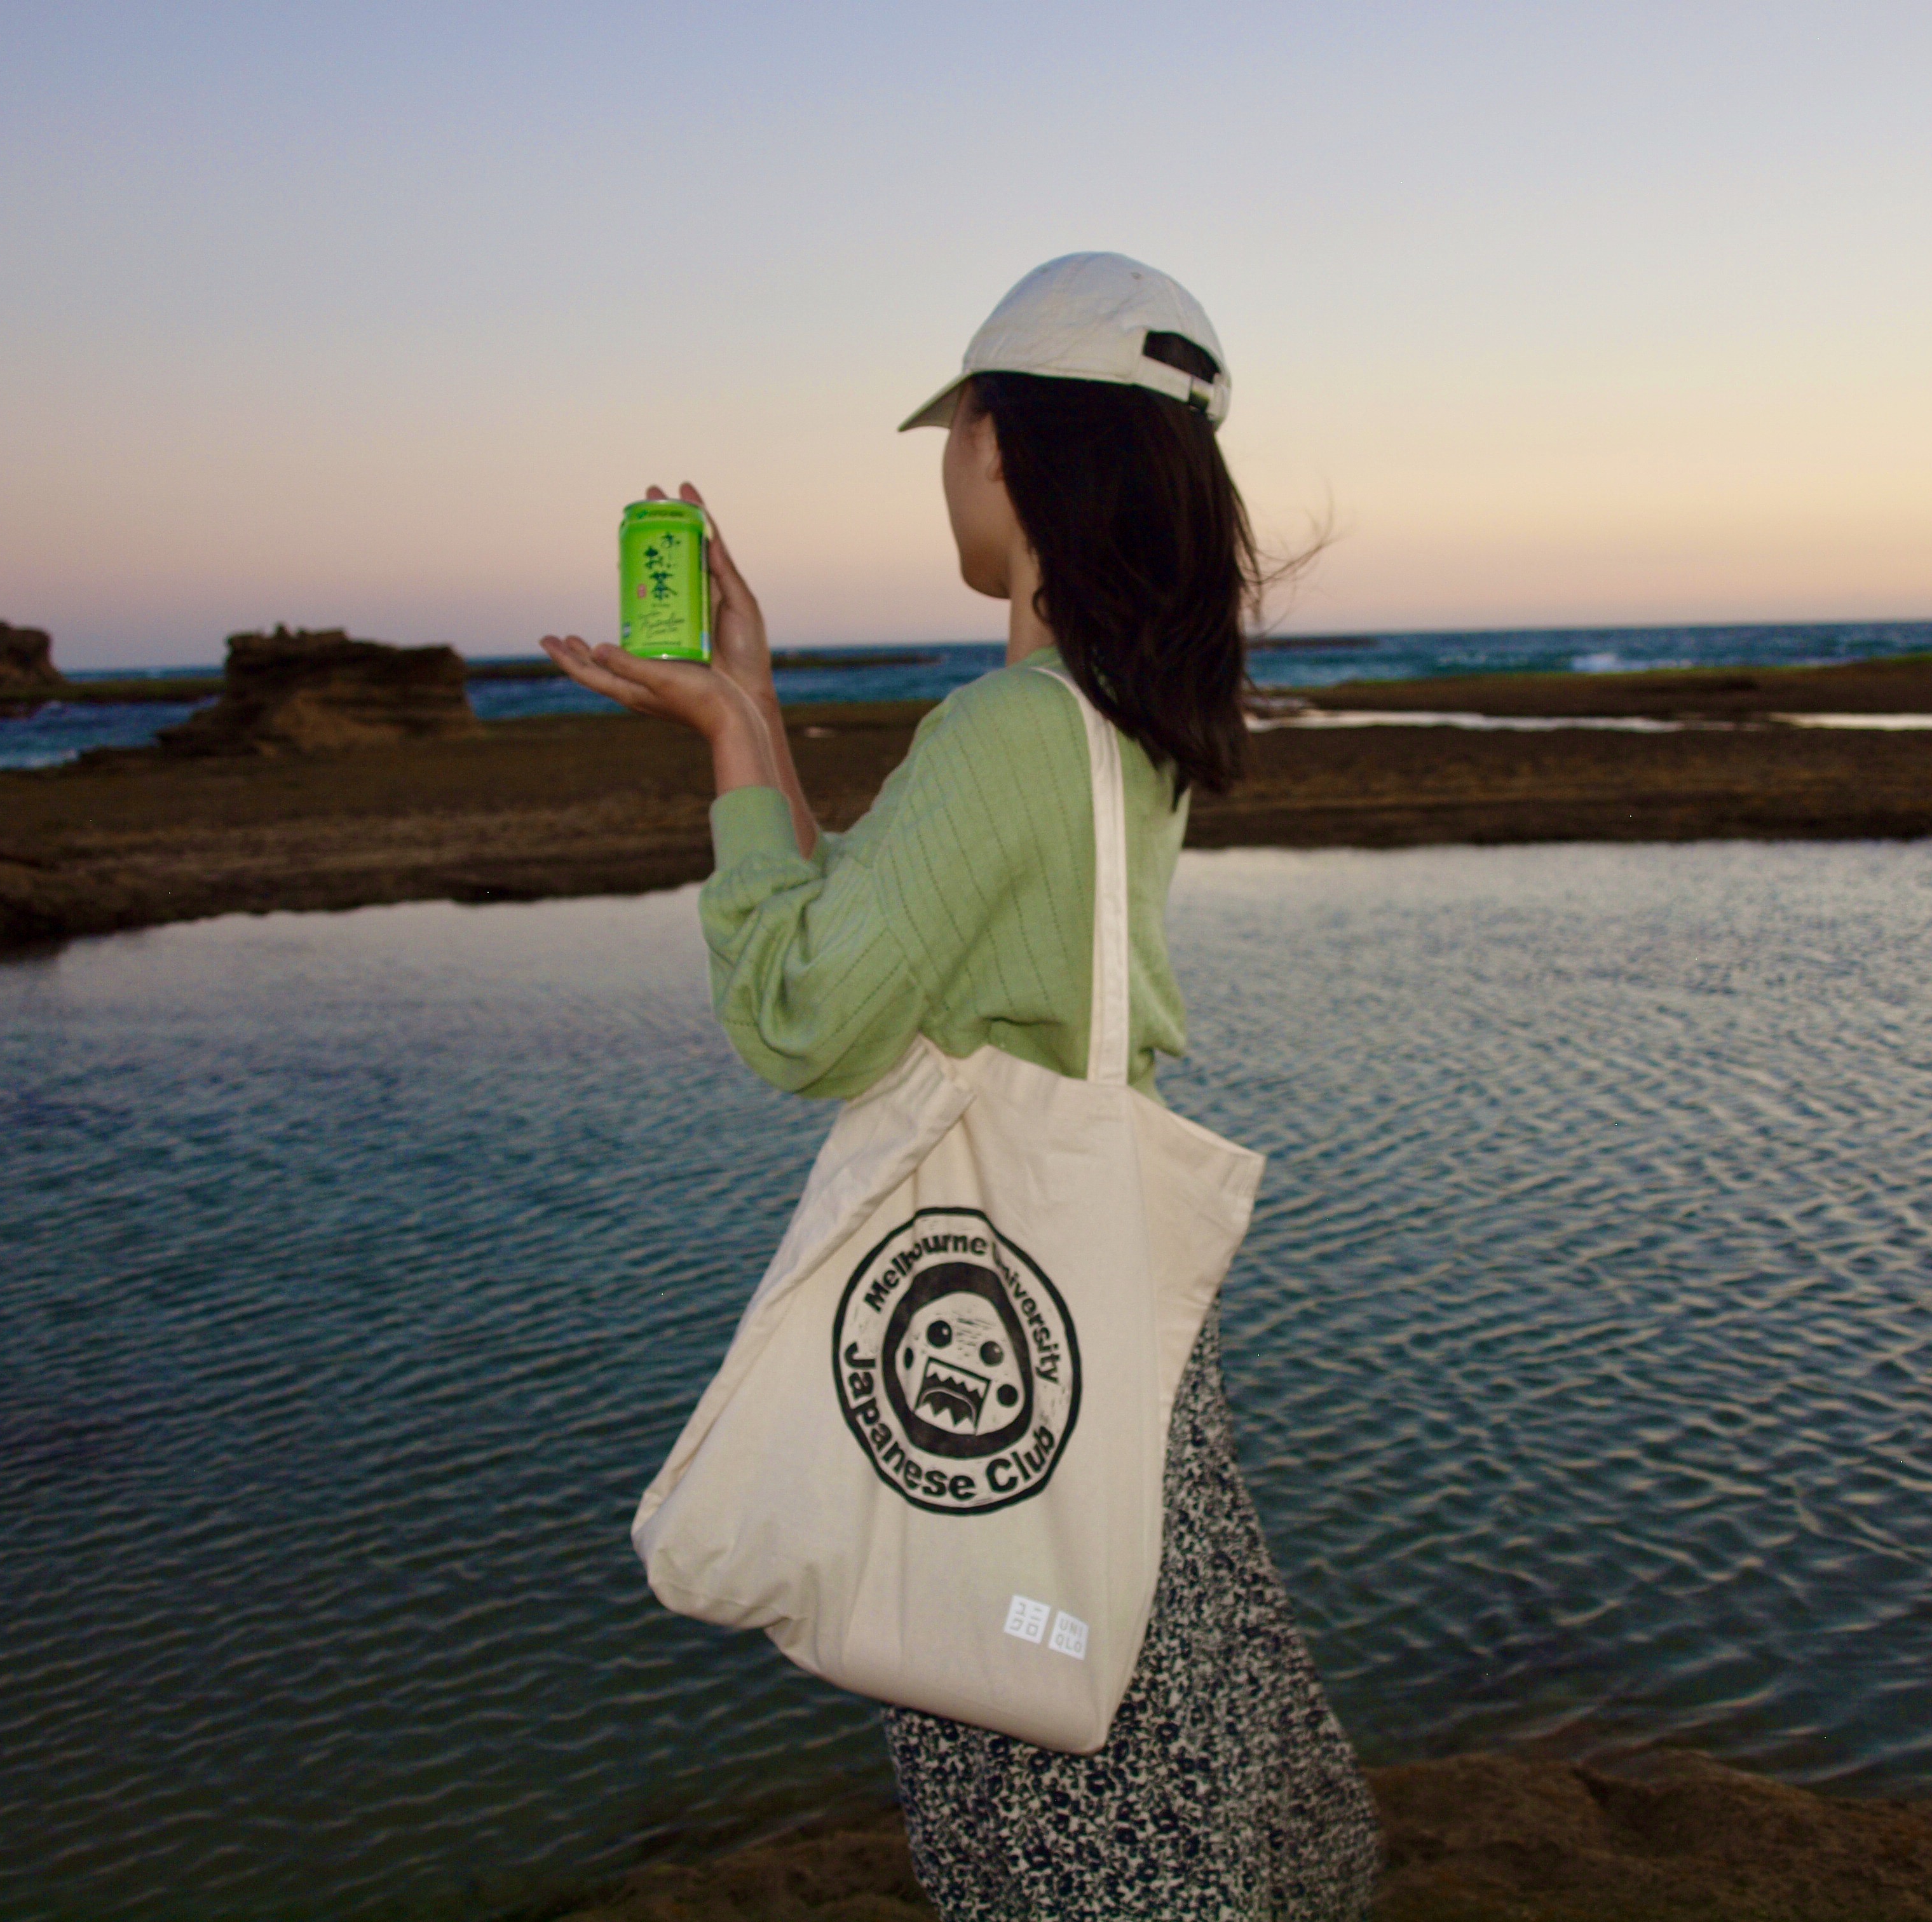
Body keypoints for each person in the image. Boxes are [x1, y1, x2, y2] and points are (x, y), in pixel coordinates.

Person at [543, 254, 1379, 1920]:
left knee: (1054, 1796)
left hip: (1003, 1358)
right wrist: (752, 706)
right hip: (1103, 1332)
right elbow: (884, 933)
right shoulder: (1122, 726)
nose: (947, 465)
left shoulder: (1011, 730)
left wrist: (728, 748)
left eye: (957, 431)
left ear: (1009, 445)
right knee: (1178, 1743)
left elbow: (807, 1016)